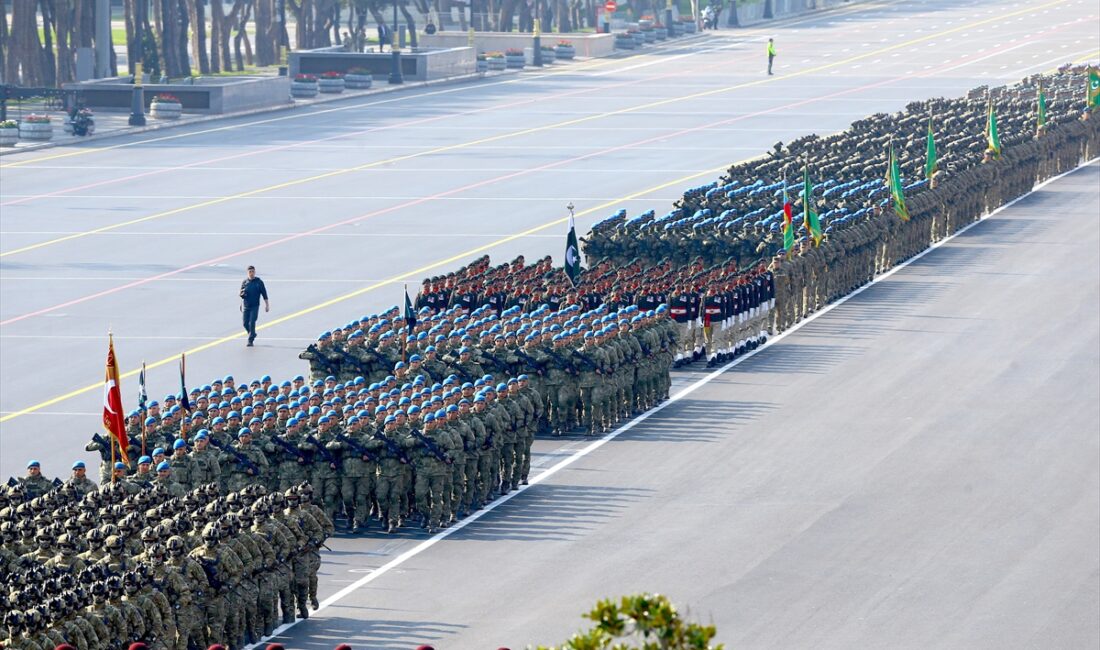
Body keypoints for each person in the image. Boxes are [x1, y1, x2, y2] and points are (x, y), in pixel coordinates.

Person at [239, 265, 270, 347]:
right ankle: (252, 334)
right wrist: (241, 304)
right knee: (245, 323)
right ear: (247, 273)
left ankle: (250, 340)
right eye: (250, 272)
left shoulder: (259, 282)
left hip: (255, 306)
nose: (251, 273)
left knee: (252, 322)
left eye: (253, 271)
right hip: (246, 306)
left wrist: (267, 305)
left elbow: (264, 294)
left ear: (255, 272)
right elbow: (241, 294)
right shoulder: (244, 282)